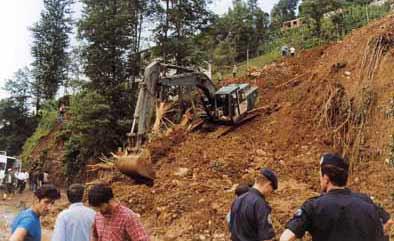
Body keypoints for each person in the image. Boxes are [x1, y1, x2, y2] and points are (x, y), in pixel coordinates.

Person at [280, 153, 394, 241]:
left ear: (326, 178)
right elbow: (388, 222)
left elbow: (286, 238)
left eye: (320, 176)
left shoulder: (314, 206)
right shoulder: (367, 203)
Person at [229, 168, 278, 241]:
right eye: (272, 189)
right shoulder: (260, 204)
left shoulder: (237, 200)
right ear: (268, 184)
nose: (270, 193)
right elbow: (266, 236)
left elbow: (231, 227)